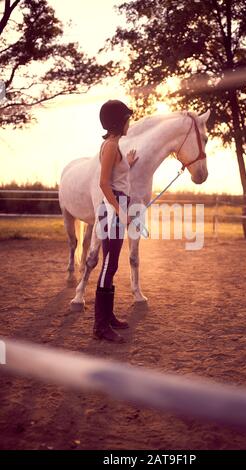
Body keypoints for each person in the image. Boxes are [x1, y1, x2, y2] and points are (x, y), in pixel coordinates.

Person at [94, 100, 139, 343]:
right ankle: (100, 326)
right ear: (117, 121)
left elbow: (116, 175)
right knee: (108, 266)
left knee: (112, 264)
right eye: (126, 117)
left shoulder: (115, 147)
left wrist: (127, 164)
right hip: (113, 209)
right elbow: (103, 183)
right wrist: (119, 211)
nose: (129, 121)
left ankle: (108, 317)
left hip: (117, 206)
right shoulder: (111, 146)